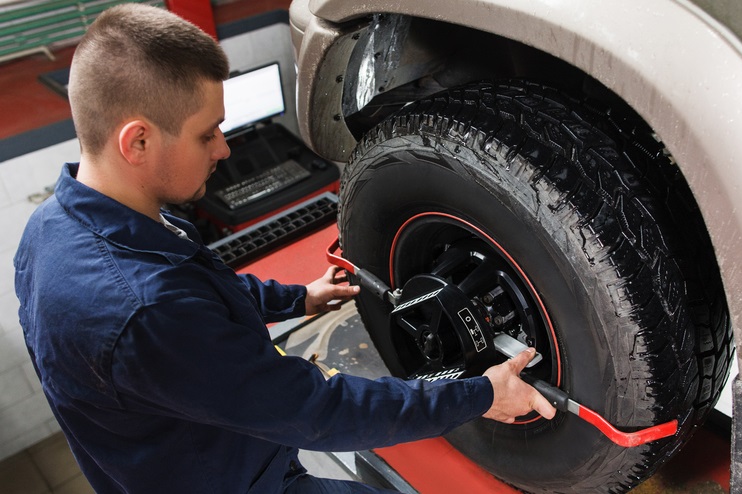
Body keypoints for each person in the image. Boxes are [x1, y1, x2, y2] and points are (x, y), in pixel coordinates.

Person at [13, 4, 556, 493]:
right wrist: (479, 396)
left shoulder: (51, 228)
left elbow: (202, 290)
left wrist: (295, 298)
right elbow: (316, 411)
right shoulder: (145, 311)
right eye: (208, 133)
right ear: (137, 141)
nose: (224, 149)